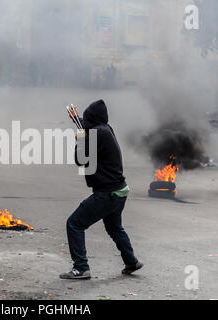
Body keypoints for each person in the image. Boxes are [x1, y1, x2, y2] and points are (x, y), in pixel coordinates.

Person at [60, 100, 143, 280]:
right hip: (120, 191)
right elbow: (89, 126)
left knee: (74, 224)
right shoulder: (106, 128)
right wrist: (76, 119)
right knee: (114, 227)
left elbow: (80, 159)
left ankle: (81, 268)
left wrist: (79, 140)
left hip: (107, 194)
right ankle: (131, 261)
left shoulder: (96, 134)